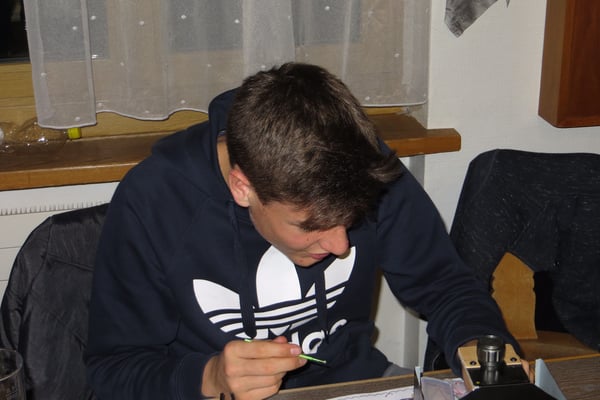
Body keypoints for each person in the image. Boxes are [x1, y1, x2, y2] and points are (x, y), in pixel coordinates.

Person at [85, 62, 517, 400]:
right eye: (311, 226)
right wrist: (210, 376)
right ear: (242, 187)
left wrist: (490, 364)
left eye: (351, 219)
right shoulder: (154, 199)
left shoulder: (363, 164)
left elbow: (445, 285)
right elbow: (114, 370)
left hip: (357, 385)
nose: (341, 245)